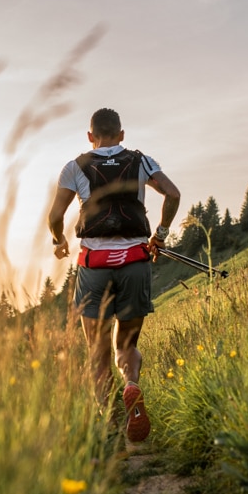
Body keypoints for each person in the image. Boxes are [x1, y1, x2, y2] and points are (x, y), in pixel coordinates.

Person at [48, 107, 181, 442]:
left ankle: (109, 429)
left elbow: (55, 215)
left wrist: (59, 240)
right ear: (121, 135)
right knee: (127, 344)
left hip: (94, 265)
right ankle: (132, 385)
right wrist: (160, 236)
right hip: (135, 261)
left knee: (97, 353)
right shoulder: (141, 161)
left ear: (90, 136)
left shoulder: (74, 166)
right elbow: (173, 194)